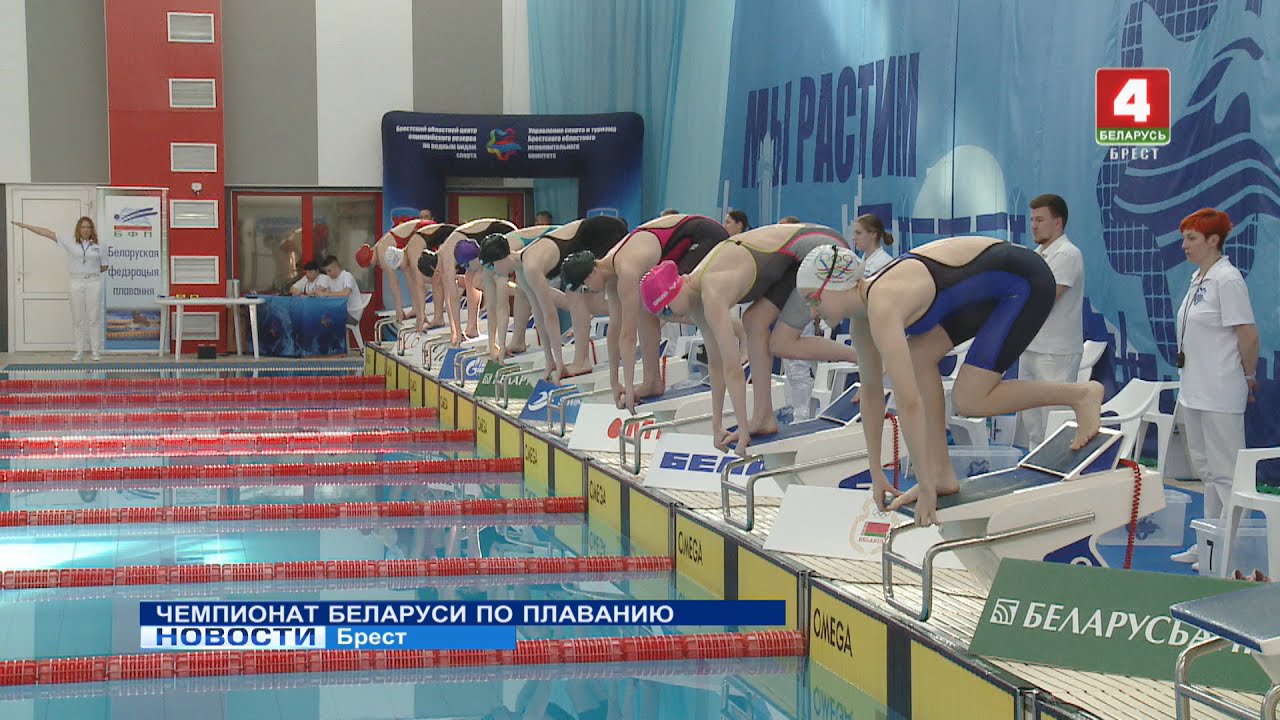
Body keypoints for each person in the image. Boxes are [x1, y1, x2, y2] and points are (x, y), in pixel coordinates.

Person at [794, 238, 1105, 527]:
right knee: (919, 356)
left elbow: (909, 402)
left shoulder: (882, 303)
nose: (812, 311)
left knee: (969, 399)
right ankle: (942, 473)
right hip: (985, 291)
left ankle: (1081, 394)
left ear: (835, 285)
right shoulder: (862, 320)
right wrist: (876, 472)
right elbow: (872, 396)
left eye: (813, 299)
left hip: (1025, 282)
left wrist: (925, 487)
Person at [638, 223, 859, 454]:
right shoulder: (695, 296)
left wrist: (742, 430)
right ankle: (763, 417)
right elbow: (716, 365)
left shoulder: (711, 290)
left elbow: (733, 368)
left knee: (782, 343)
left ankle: (862, 359)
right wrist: (717, 425)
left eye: (666, 310)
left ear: (674, 291)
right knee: (754, 321)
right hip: (795, 261)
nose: (670, 318)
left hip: (821, 250)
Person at [560, 213, 729, 410]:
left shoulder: (626, 269)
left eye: (584, 288)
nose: (588, 293)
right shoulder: (611, 274)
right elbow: (615, 330)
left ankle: (733, 339)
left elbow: (629, 336)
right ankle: (652, 381)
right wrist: (615, 383)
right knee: (648, 307)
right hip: (682, 242)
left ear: (592, 274)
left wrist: (629, 388)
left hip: (704, 236)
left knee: (676, 303)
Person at [1168, 209, 1258, 569]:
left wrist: (1249, 376)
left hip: (1220, 389)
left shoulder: (1227, 279)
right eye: (1184, 238)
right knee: (1206, 470)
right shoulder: (1198, 278)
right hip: (1194, 389)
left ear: (1213, 240)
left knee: (1226, 472)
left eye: (1192, 238)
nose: (1184, 245)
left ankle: (1232, 547)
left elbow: (1248, 334)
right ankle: (1209, 540)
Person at [479, 216, 627, 379]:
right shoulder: (522, 271)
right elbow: (539, 316)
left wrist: (559, 362)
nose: (493, 271)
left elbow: (550, 316)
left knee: (585, 300)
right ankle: (583, 359)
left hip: (602, 232)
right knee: (578, 298)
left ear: (500, 258)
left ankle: (584, 359)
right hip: (586, 238)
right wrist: (550, 360)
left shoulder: (531, 267)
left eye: (491, 266)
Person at [1015, 194, 1085, 449]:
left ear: (1058, 223)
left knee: (1054, 421)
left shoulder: (1068, 254)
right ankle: (1034, 468)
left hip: (1055, 352)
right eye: (1032, 220)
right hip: (1031, 346)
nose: (1033, 226)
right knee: (1033, 424)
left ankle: (1055, 470)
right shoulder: (1037, 255)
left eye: (1040, 220)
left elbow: (1045, 298)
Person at [11, 217, 110, 361]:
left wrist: (91, 271)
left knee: (94, 318)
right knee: (78, 319)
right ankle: (79, 351)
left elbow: (105, 266)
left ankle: (96, 352)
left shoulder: (100, 245)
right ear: (78, 228)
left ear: (92, 229)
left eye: (88, 227)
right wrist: (26, 226)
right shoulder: (70, 241)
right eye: (83, 227)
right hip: (76, 282)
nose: (85, 230)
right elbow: (47, 233)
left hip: (93, 282)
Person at [416, 218, 517, 345]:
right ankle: (472, 328)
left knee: (479, 281)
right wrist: (455, 331)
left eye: (436, 275)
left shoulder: (447, 259)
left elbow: (453, 298)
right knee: (470, 278)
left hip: (504, 233)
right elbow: (449, 297)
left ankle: (521, 293)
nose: (438, 277)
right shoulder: (443, 253)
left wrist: (456, 333)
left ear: (434, 270)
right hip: (493, 234)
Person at [355, 219, 450, 333]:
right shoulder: (385, 249)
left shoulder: (383, 254)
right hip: (425, 231)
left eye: (371, 264)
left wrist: (400, 310)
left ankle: (433, 312)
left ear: (370, 261)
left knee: (425, 275)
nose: (374, 265)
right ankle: (417, 308)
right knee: (412, 272)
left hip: (427, 231)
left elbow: (394, 284)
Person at [478, 225, 557, 360]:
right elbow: (492, 306)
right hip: (532, 247)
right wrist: (492, 345)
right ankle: (518, 341)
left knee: (533, 291)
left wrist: (502, 345)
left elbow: (503, 307)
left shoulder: (501, 258)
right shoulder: (488, 265)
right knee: (524, 290)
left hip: (552, 239)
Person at [315, 255, 365, 324]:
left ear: (336, 268)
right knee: (316, 316)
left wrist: (326, 294)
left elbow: (345, 294)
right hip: (339, 311)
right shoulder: (329, 278)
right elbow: (320, 290)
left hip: (352, 313)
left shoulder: (347, 276)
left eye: (329, 271)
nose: (327, 273)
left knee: (325, 320)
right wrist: (316, 292)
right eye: (326, 271)